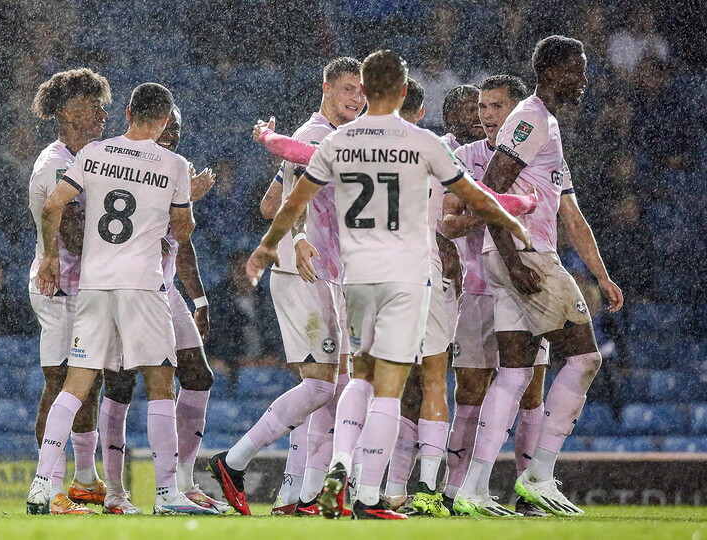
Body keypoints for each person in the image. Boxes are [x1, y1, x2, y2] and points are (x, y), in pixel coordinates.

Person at [246, 49, 531, 520]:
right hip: (407, 275)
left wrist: (270, 146)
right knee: (391, 386)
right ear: (402, 92)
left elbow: (293, 189)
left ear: (370, 91)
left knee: (357, 376)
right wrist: (516, 213)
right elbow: (475, 196)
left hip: (357, 276)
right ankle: (372, 493)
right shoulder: (422, 143)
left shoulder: (342, 142)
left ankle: (339, 464)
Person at [453, 36, 624, 518]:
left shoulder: (544, 124)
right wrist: (512, 259)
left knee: (513, 373)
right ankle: (539, 475)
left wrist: (601, 274)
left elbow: (570, 212)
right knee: (586, 358)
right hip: (525, 254)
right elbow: (491, 189)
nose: (583, 78)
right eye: (576, 68)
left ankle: (474, 488)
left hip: (511, 256)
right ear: (551, 72)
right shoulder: (531, 119)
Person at [26, 82, 215, 516]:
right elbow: (183, 232)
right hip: (142, 287)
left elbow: (54, 207)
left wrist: (51, 256)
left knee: (75, 386)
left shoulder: (93, 155)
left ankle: (41, 485)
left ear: (127, 111)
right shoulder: (174, 164)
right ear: (165, 120)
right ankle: (168, 493)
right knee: (160, 382)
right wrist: (170, 211)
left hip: (93, 284)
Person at [209, 57, 365, 518]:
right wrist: (298, 237)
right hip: (303, 271)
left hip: (323, 272)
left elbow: (269, 203)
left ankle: (297, 496)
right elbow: (290, 206)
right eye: (348, 90)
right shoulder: (317, 136)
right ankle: (234, 462)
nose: (356, 99)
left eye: (361, 92)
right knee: (322, 387)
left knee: (329, 388)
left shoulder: (315, 136)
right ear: (326, 88)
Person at [97, 104, 226, 514]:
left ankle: (183, 483)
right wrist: (185, 199)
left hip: (165, 289)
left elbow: (180, 244)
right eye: (165, 124)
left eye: (177, 126)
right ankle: (116, 491)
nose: (171, 132)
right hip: (128, 284)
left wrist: (199, 298)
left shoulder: (174, 167)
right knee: (120, 385)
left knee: (198, 376)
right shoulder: (128, 164)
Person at [442, 74, 550, 517]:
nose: (485, 116)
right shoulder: (462, 158)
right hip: (479, 288)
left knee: (531, 390)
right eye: (480, 109)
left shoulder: (538, 150)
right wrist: (483, 213)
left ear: (515, 111)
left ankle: (530, 493)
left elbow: (563, 210)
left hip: (529, 281)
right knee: (469, 388)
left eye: (492, 108)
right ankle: (453, 491)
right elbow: (446, 224)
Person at [26, 68, 112, 515]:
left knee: (87, 385)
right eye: (88, 105)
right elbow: (76, 233)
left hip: (87, 286)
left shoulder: (94, 154)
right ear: (64, 112)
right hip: (58, 288)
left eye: (101, 104)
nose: (100, 113)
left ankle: (84, 479)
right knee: (60, 384)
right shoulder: (56, 163)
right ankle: (48, 486)